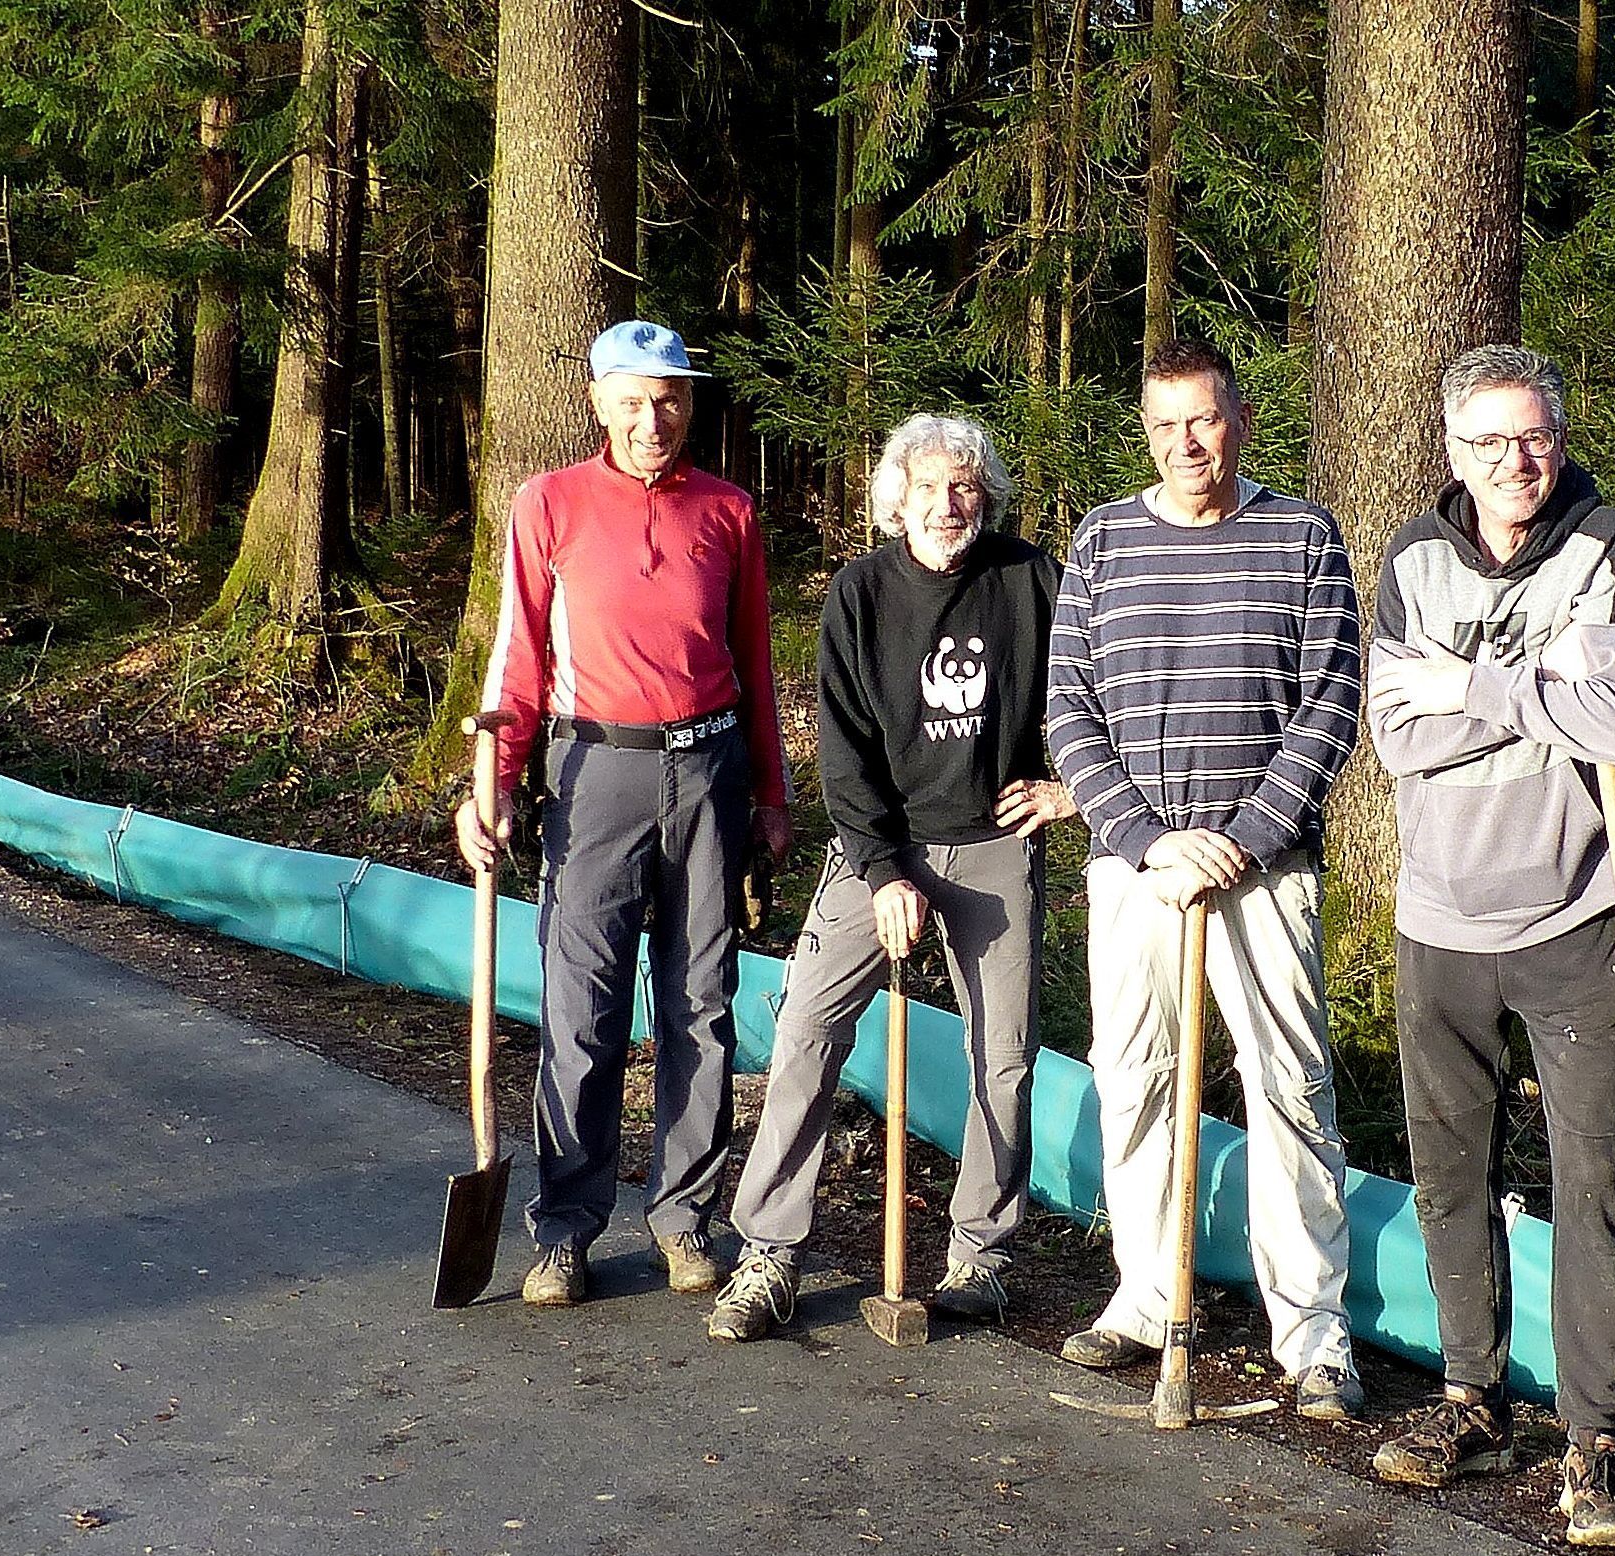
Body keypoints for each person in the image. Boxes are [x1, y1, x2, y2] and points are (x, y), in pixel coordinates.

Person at [1362, 343, 1615, 1543]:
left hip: (1580, 913)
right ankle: (1472, 1403)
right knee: (1451, 1175)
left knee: (1592, 1181)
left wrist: (1472, 684)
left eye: (1533, 436)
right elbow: (1397, 738)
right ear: (1452, 450)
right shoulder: (1412, 559)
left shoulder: (1602, 545)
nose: (1514, 462)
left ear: (1560, 435)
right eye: (1488, 442)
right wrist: (1546, 685)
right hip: (1441, 916)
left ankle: (1595, 1440)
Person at [1044, 338, 1366, 1420]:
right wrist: (1147, 840)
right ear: (1147, 434)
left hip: (1263, 872)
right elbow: (1069, 709)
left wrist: (1246, 836)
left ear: (1239, 419)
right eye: (1165, 424)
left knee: (1289, 1090)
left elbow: (1332, 698)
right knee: (1133, 1079)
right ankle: (1147, 1297)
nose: (1187, 442)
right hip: (1138, 872)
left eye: (1204, 418)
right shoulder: (1102, 541)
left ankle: (1312, 1335)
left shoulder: (1303, 536)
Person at [707, 414, 1073, 1342]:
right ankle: (768, 1255)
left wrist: (1073, 789)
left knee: (1004, 1055)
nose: (947, 505)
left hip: (995, 844)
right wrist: (880, 872)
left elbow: (1090, 691)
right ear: (895, 502)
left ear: (985, 495)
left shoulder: (1030, 578)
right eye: (927, 489)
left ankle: (980, 1258)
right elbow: (842, 751)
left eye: (963, 486)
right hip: (881, 849)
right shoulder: (860, 592)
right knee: (806, 1030)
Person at [454, 319, 792, 1308]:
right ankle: (565, 1228)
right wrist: (494, 785)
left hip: (708, 770)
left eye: (671, 398)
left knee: (702, 1005)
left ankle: (684, 1219)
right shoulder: (549, 502)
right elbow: (518, 659)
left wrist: (771, 793)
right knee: (582, 1007)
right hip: (594, 772)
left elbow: (755, 661)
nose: (654, 419)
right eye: (635, 400)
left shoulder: (727, 510)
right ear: (600, 402)